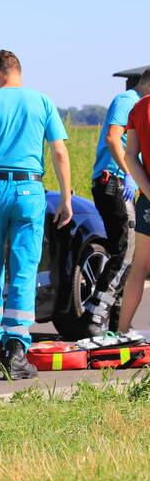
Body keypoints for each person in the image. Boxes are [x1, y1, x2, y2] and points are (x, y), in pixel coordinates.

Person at [0, 50, 72, 379]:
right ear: (18, 71)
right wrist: (66, 197)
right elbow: (60, 151)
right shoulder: (42, 102)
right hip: (29, 190)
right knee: (24, 270)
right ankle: (17, 351)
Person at [81, 70, 150, 335]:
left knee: (129, 258)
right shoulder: (128, 100)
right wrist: (130, 173)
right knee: (125, 252)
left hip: (123, 182)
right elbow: (113, 137)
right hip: (116, 182)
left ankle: (117, 321)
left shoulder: (137, 104)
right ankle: (96, 316)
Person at [116, 87, 150, 340]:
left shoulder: (140, 107)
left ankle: (122, 330)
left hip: (147, 199)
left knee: (139, 266)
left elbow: (130, 155)